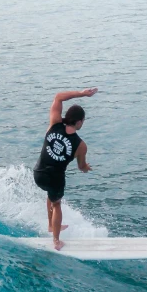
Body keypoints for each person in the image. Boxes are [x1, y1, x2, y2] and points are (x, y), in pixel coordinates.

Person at [33, 88, 98, 250]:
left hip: (38, 174)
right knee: (57, 204)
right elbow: (81, 167)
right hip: (55, 179)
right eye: (83, 121)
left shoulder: (54, 122)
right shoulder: (81, 145)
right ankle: (56, 240)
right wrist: (86, 167)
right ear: (78, 122)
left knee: (50, 195)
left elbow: (58, 97)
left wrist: (82, 93)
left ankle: (50, 225)